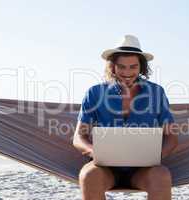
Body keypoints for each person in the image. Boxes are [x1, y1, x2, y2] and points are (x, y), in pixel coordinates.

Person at [73, 35, 178, 200]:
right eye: (121, 67)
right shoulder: (95, 93)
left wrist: (155, 158)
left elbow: (171, 137)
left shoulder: (156, 93)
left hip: (144, 170)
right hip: (105, 169)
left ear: (141, 67)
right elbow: (78, 137)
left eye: (133, 67)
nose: (127, 73)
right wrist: (95, 152)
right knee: (88, 175)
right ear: (112, 67)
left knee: (162, 176)